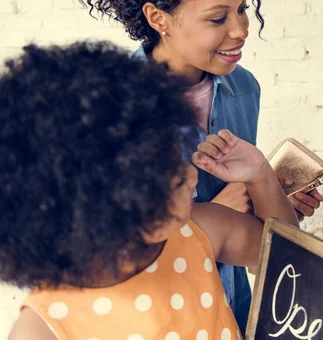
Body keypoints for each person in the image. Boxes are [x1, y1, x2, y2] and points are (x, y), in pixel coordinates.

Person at [72, 0, 323, 331]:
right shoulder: (107, 107)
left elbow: (273, 248)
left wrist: (271, 193)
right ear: (159, 19)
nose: (241, 30)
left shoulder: (245, 89)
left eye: (242, 9)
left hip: (232, 310)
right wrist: (213, 215)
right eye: (216, 18)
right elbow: (99, 241)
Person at [2, 42, 299, 339]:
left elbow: (291, 262)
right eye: (165, 179)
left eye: (177, 160)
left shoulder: (200, 231)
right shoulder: (43, 329)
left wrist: (260, 175)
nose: (190, 176)